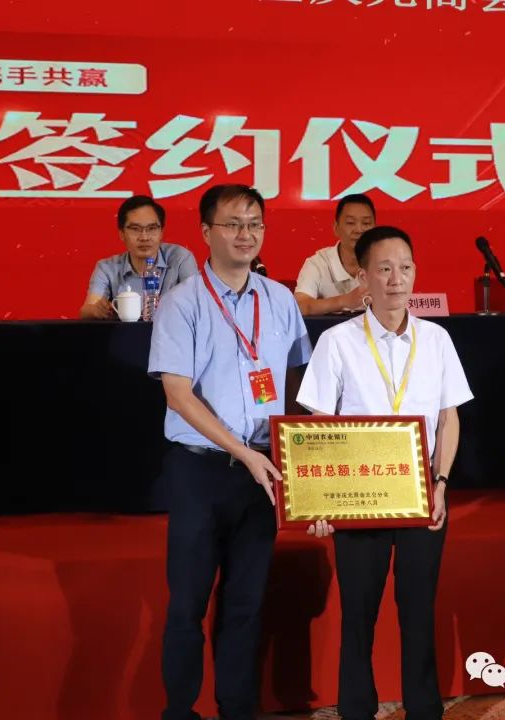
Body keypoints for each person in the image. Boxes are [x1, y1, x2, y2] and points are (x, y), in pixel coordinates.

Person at [148, 184, 312, 720]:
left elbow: (297, 380)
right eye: (233, 224)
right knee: (188, 604)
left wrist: (302, 458)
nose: (246, 234)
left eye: (255, 223)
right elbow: (177, 393)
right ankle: (179, 711)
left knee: (246, 603)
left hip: (262, 470)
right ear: (205, 232)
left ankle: (236, 709)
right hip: (200, 470)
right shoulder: (182, 302)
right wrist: (241, 451)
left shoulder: (280, 299)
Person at [297, 226, 474, 720]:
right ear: (363, 277)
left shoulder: (436, 339)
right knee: (359, 615)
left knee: (418, 612)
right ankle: (357, 710)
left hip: (421, 495)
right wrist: (320, 501)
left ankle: (424, 709)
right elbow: (318, 426)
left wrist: (441, 484)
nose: (397, 279)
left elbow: (449, 417)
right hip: (359, 498)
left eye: (406, 268)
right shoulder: (337, 341)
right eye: (385, 269)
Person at [80, 195, 198, 319]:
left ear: (161, 232)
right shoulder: (107, 268)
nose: (144, 237)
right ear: (121, 233)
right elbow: (87, 310)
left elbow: (196, 305)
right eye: (135, 229)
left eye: (152, 228)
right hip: (125, 331)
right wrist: (97, 310)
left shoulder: (180, 258)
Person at [294, 193, 375, 315]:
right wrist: (344, 301)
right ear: (336, 228)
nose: (359, 230)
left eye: (366, 223)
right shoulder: (318, 263)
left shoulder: (386, 262)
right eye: (350, 223)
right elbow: (299, 306)